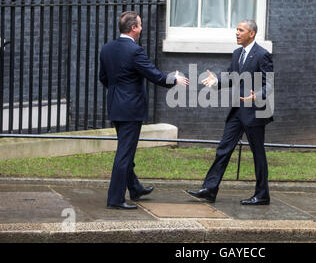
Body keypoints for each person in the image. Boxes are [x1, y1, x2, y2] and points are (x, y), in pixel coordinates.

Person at [100, 11, 189, 210]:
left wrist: (119, 94)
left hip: (116, 106)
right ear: (133, 29)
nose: (141, 29)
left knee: (126, 150)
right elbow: (154, 75)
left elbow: (103, 78)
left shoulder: (107, 48)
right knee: (124, 154)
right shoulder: (135, 51)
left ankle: (135, 188)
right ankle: (115, 199)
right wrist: (175, 80)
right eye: (139, 26)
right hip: (131, 110)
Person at [186, 20, 274, 205]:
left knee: (258, 153)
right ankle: (210, 189)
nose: (236, 33)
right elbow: (231, 78)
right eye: (236, 30)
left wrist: (257, 95)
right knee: (223, 149)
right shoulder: (237, 54)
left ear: (251, 34)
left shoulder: (262, 55)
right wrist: (216, 81)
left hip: (255, 112)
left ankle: (262, 195)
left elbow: (269, 84)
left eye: (241, 30)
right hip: (237, 112)